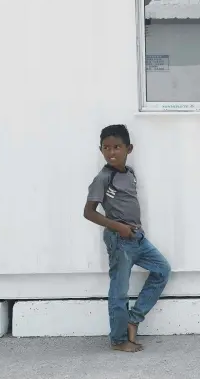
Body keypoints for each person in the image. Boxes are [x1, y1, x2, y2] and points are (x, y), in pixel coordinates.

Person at [83, 124, 171, 352]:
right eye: (106, 148)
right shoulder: (102, 178)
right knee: (119, 291)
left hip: (137, 238)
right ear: (100, 150)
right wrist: (118, 228)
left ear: (128, 149)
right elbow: (89, 212)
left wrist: (131, 230)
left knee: (162, 270)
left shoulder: (129, 173)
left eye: (117, 147)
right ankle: (119, 340)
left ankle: (134, 319)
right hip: (119, 240)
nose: (111, 152)